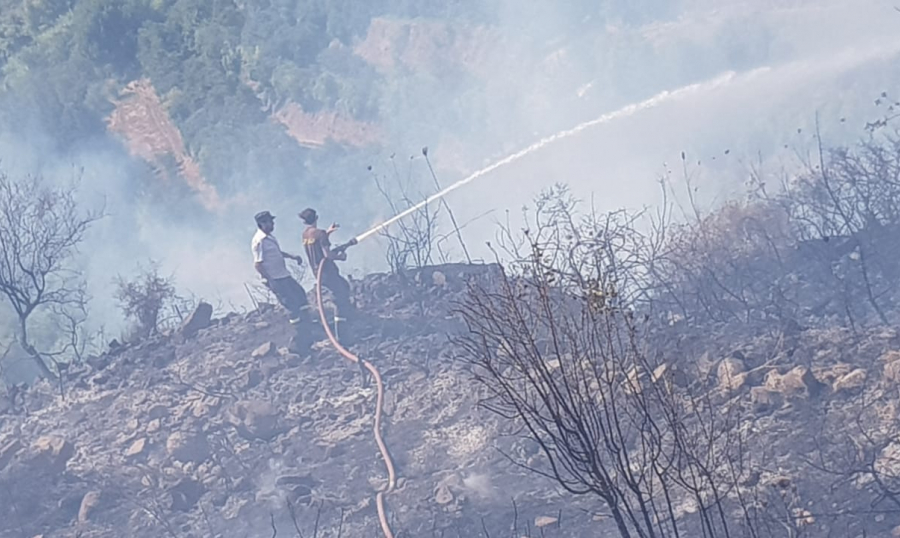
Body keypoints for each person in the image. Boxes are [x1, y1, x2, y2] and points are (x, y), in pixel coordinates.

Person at [251, 210, 308, 324]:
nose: (273, 224)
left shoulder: (269, 237)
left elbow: (276, 253)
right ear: (262, 223)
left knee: (300, 295)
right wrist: (270, 280)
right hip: (275, 278)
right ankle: (300, 329)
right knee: (290, 303)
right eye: (270, 222)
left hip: (283, 274)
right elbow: (258, 264)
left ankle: (308, 321)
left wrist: (292, 256)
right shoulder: (259, 241)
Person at [299, 207, 355, 319]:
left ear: (304, 222)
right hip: (327, 271)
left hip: (317, 272)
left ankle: (343, 316)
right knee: (341, 292)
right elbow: (327, 255)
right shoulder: (320, 233)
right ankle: (341, 319)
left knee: (342, 287)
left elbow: (317, 244)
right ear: (317, 217)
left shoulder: (305, 234)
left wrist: (328, 232)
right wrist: (340, 257)